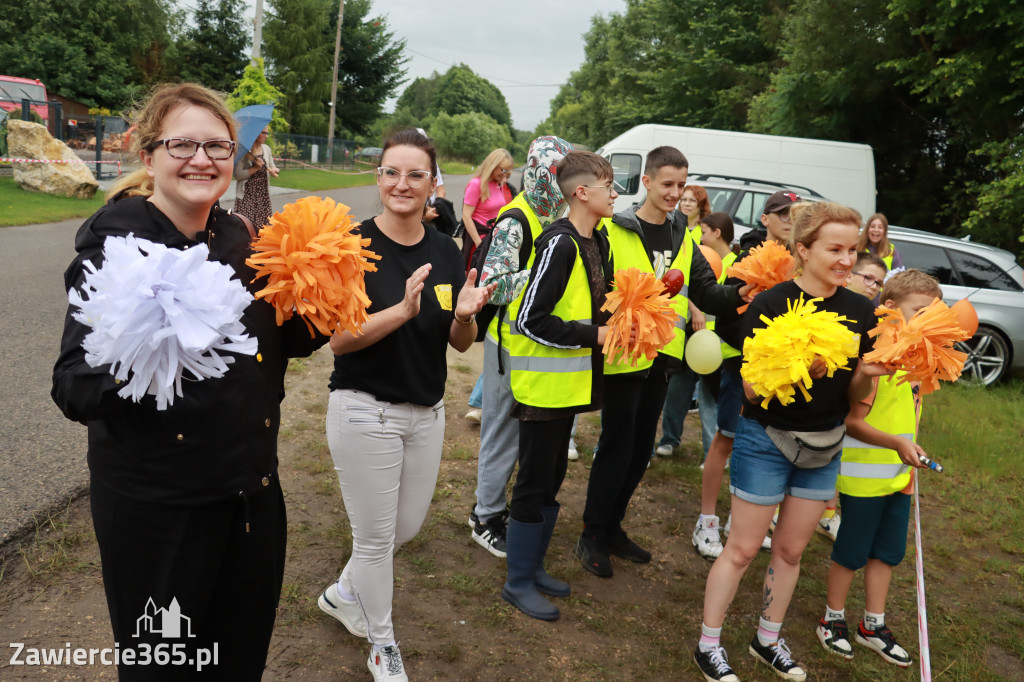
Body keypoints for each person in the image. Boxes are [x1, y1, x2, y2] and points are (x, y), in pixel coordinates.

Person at [51, 82, 327, 680]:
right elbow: (72, 388)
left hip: (250, 499)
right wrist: (149, 341)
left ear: (234, 157)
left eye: (218, 146)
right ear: (146, 156)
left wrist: (320, 303)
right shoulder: (112, 252)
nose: (201, 159)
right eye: (181, 144)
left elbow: (270, 350)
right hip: (160, 513)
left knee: (238, 660)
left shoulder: (239, 239)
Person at [316, 129, 495, 682]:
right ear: (378, 177)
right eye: (392, 172)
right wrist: (402, 309)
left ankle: (343, 593)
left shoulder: (446, 249)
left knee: (406, 529)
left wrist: (464, 316)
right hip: (364, 408)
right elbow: (340, 341)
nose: (402, 183)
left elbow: (459, 343)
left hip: (427, 412)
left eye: (415, 174)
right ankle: (382, 644)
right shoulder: (351, 244)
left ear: (432, 183)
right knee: (373, 540)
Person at [693, 201, 886, 682]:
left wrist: (867, 373)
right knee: (740, 550)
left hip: (825, 444)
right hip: (767, 439)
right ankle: (708, 645)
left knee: (792, 552)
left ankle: (767, 639)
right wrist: (803, 363)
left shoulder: (862, 310)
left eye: (852, 249)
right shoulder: (770, 304)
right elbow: (754, 390)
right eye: (834, 249)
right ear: (803, 249)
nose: (846, 260)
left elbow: (857, 393)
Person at [577, 148, 749, 579]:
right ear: (648, 182)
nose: (676, 193)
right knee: (617, 445)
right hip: (623, 353)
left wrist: (739, 295)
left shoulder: (681, 233)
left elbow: (706, 291)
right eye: (668, 184)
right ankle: (592, 533)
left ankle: (614, 526)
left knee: (640, 450)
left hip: (663, 354)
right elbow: (597, 293)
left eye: (682, 185)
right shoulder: (614, 230)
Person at [501, 150, 615, 621]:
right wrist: (596, 335)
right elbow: (529, 318)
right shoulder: (559, 243)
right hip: (542, 391)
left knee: (552, 480)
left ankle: (533, 567)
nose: (616, 194)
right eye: (609, 185)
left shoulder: (597, 242)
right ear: (581, 192)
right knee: (532, 484)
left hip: (568, 390)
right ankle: (517, 582)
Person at [815, 269, 937, 669]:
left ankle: (873, 624)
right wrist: (897, 445)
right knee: (851, 552)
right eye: (919, 311)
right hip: (865, 478)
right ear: (888, 310)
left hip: (900, 478)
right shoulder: (877, 361)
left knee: (887, 553)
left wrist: (909, 452)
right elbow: (853, 421)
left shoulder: (919, 361)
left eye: (933, 313)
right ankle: (833, 620)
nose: (927, 321)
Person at [468, 136, 574, 559]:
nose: (561, 185)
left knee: (530, 440)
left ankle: (508, 508)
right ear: (539, 173)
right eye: (556, 176)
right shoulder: (518, 218)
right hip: (509, 346)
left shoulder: (562, 213)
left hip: (544, 348)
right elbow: (493, 287)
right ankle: (485, 516)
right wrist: (543, 275)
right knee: (501, 433)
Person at [692, 190, 800, 560]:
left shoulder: (801, 262)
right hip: (741, 365)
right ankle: (706, 520)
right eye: (781, 213)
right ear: (765, 218)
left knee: (762, 446)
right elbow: (725, 308)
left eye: (794, 214)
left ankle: (742, 521)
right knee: (726, 440)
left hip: (781, 371)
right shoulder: (745, 256)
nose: (789, 219)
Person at [657, 183, 717, 457]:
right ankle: (669, 437)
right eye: (685, 198)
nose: (687, 202)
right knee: (675, 384)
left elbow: (701, 280)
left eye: (693, 199)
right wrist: (693, 309)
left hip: (704, 328)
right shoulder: (674, 229)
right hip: (680, 316)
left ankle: (680, 440)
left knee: (695, 388)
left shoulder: (701, 236)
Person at [460, 147, 515, 271]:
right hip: (479, 240)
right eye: (503, 169)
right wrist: (479, 244)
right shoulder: (476, 184)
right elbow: (466, 216)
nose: (505, 174)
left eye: (508, 171)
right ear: (493, 165)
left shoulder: (497, 184)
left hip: (493, 239)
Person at [233, 127, 279, 232]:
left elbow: (271, 166)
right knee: (246, 227)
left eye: (267, 133)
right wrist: (255, 168)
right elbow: (238, 175)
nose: (266, 136)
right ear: (255, 133)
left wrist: (274, 170)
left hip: (263, 195)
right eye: (263, 133)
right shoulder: (244, 152)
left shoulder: (266, 149)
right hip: (247, 196)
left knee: (263, 228)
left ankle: (261, 248)